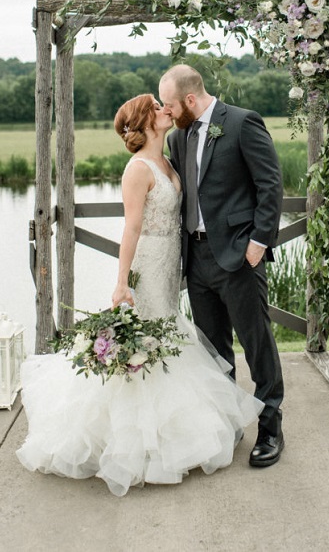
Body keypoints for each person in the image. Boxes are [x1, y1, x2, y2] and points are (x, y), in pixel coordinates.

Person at [16, 94, 262, 496]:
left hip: (170, 264)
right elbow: (130, 229)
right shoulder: (138, 168)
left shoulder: (169, 159)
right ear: (147, 120)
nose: (167, 108)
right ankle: (139, 442)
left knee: (168, 336)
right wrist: (121, 282)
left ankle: (174, 432)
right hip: (147, 264)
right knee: (148, 339)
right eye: (157, 105)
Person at [159, 64, 285, 468]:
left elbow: (271, 184)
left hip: (238, 256)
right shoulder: (178, 136)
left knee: (256, 344)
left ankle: (270, 428)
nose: (168, 111)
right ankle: (228, 424)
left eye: (170, 104)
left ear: (190, 100)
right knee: (214, 351)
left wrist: (258, 243)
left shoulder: (243, 123)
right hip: (196, 260)